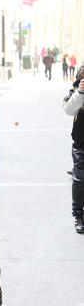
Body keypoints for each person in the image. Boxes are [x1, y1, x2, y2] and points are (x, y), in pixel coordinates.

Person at [63, 66, 84, 234]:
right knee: (79, 181)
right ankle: (79, 216)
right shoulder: (75, 93)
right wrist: (80, 93)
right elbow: (68, 110)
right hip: (81, 144)